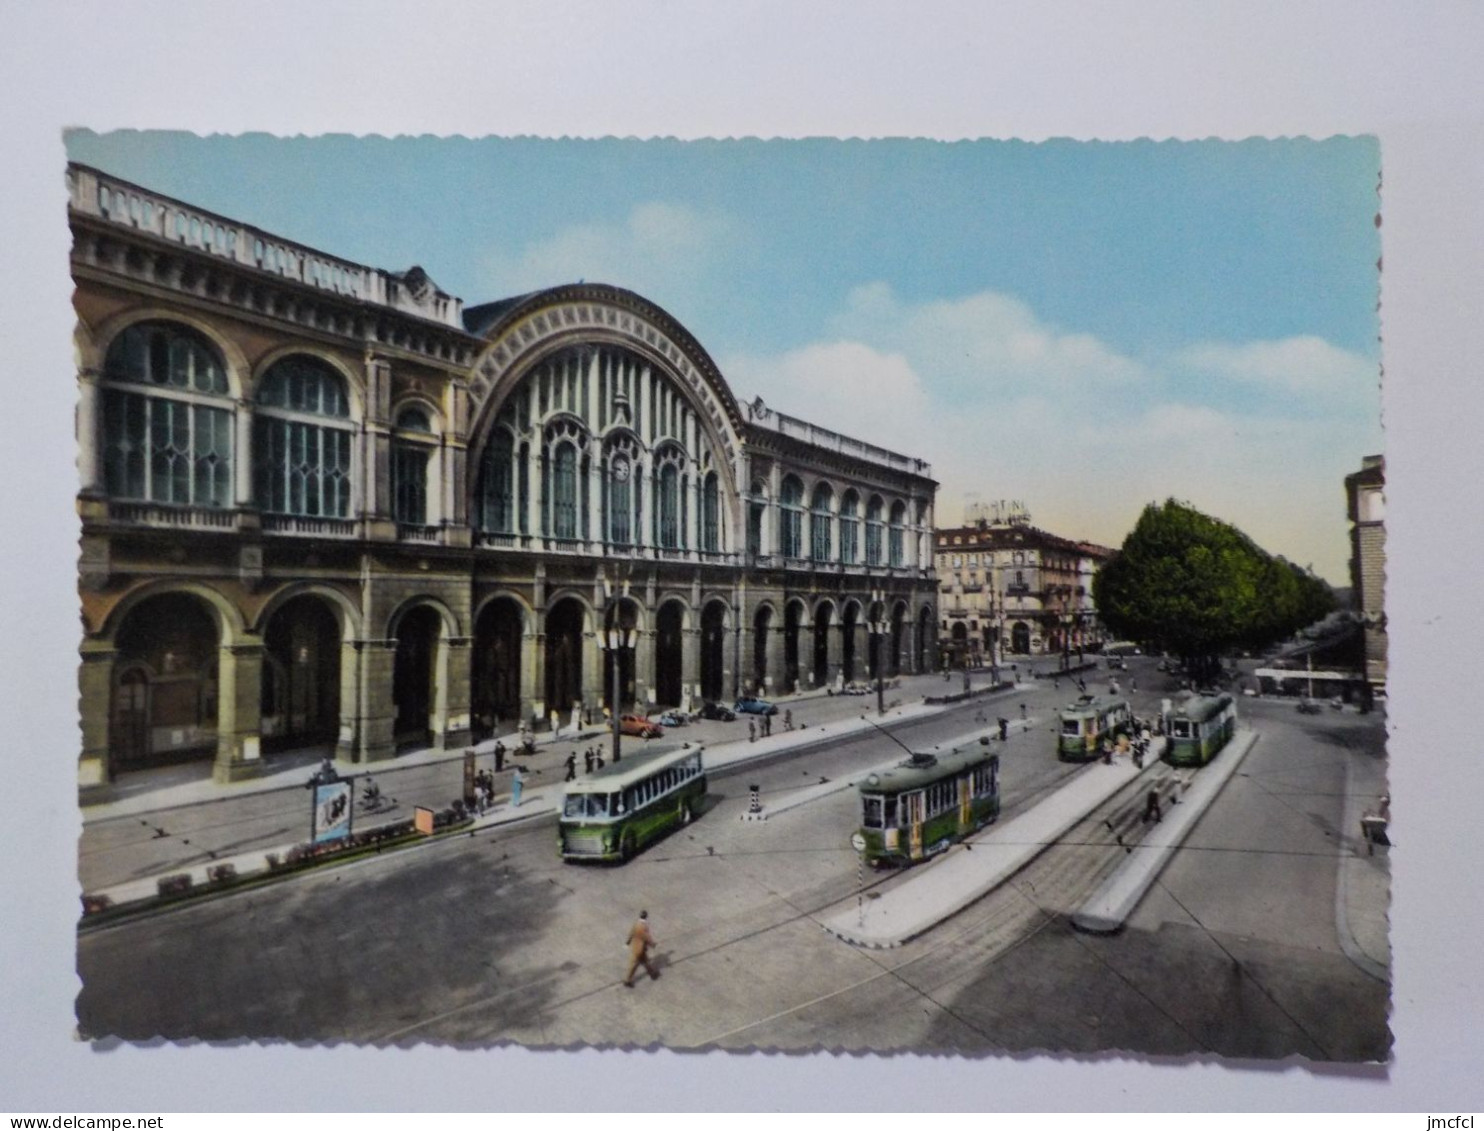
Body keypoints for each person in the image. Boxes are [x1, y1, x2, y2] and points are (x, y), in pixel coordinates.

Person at [623, 909, 660, 987]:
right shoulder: (643, 927)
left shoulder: (636, 924)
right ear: (646, 917)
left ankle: (652, 974)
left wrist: (628, 942)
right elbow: (647, 938)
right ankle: (627, 981)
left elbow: (631, 933)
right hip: (640, 949)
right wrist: (653, 944)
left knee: (646, 961)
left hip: (637, 947)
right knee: (634, 965)